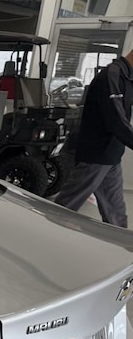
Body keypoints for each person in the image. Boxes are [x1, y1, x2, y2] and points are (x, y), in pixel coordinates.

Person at [55, 49, 133, 227]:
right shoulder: (112, 75)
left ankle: (120, 249)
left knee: (116, 212)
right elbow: (116, 121)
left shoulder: (127, 78)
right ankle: (40, 239)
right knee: (65, 208)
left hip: (111, 155)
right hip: (95, 155)